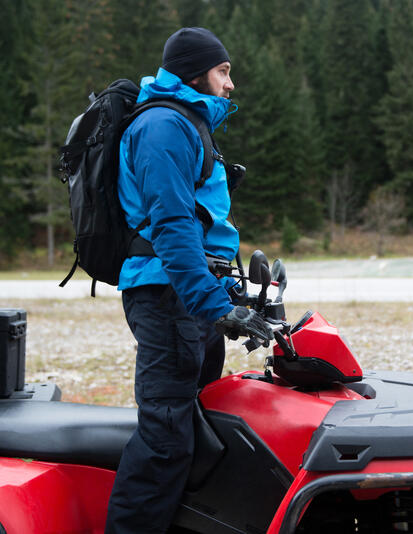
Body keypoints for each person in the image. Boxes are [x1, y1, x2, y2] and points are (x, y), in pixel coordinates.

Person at [105, 27, 271, 534]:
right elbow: (172, 226)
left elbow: (200, 227)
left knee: (197, 426)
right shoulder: (162, 127)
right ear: (196, 73)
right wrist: (212, 303)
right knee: (167, 438)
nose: (231, 83)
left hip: (188, 299)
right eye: (223, 71)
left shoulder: (186, 123)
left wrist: (234, 297)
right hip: (167, 296)